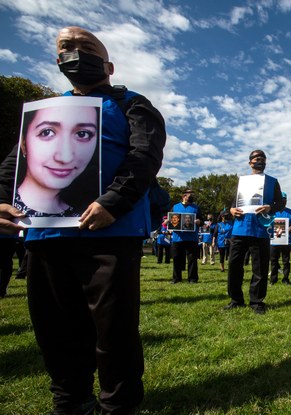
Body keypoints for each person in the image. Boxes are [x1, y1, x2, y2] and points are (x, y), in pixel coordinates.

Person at [0, 26, 165, 414]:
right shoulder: (44, 111)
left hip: (111, 233)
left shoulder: (132, 105)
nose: (75, 53)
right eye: (66, 49)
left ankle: (117, 404)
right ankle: (71, 401)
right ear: (58, 62)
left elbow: (144, 156)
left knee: (113, 329)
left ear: (108, 64)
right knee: (55, 327)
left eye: (85, 47)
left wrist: (113, 201)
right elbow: (14, 165)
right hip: (46, 234)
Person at [14, 103, 100, 217]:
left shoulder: (85, 214)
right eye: (47, 132)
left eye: (82, 134)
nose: (65, 157)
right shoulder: (5, 206)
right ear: (23, 143)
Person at [226, 150, 284, 314]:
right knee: (234, 266)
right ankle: (236, 299)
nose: (260, 161)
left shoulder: (272, 181)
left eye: (263, 159)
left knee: (259, 268)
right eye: (257, 159)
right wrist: (231, 209)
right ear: (250, 162)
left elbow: (280, 202)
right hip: (240, 228)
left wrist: (270, 207)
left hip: (260, 229)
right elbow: (232, 201)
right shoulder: (241, 181)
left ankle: (256, 302)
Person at [170, 189, 202, 284]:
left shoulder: (196, 207)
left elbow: (202, 221)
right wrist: (167, 222)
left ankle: (192, 279)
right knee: (176, 258)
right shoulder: (175, 207)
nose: (191, 196)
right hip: (177, 237)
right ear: (184, 196)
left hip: (191, 238)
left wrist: (199, 222)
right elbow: (169, 219)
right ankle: (176, 278)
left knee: (192, 260)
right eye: (189, 195)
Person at [270, 192, 291, 285]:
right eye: (281, 200)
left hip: (286, 241)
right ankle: (273, 280)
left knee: (286, 261)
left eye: (284, 200)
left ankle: (285, 279)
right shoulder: (272, 211)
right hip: (274, 241)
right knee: (273, 261)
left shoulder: (290, 212)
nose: (283, 202)